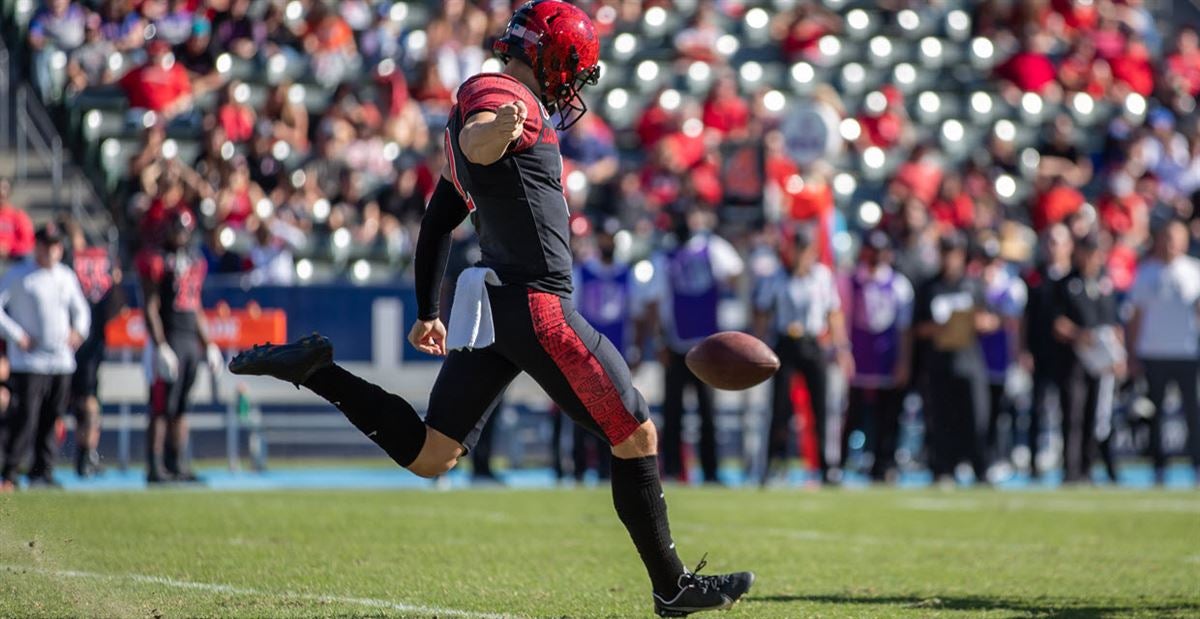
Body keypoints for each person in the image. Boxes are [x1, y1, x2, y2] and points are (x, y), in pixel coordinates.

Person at [229, 3, 753, 616]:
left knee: (432, 454)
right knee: (636, 432)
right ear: (550, 58)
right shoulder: (504, 94)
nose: (571, 84)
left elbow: (439, 219)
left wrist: (428, 307)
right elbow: (481, 138)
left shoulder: (493, 108)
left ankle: (318, 371)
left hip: (491, 305)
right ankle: (673, 588)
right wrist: (492, 130)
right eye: (571, 69)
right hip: (535, 304)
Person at [644, 207, 744, 484]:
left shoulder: (712, 248)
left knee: (707, 412)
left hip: (707, 345)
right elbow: (655, 302)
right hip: (676, 343)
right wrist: (658, 340)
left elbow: (736, 272)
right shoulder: (664, 257)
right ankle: (674, 469)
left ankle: (710, 471)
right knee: (673, 411)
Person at [755, 225, 852, 485]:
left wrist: (841, 347)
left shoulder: (822, 276)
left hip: (812, 344)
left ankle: (826, 465)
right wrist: (759, 348)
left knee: (820, 407)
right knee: (780, 408)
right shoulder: (777, 277)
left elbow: (833, 312)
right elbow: (763, 313)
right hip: (785, 343)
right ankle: (775, 462)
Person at [135, 209, 222, 483]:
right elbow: (150, 307)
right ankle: (155, 466)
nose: (180, 234)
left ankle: (178, 463)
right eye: (176, 228)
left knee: (182, 407)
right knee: (161, 407)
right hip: (168, 337)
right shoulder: (158, 260)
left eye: (184, 229)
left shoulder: (193, 261)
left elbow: (194, 306)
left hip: (188, 340)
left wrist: (208, 344)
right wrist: (160, 345)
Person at [0, 224, 90, 490]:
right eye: (46, 245)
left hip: (60, 360)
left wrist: (78, 332)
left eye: (55, 245)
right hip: (29, 361)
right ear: (37, 246)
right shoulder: (20, 275)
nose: (51, 251)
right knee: (25, 418)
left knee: (52, 418)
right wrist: (17, 336)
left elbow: (81, 310)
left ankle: (43, 471)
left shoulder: (65, 276)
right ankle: (11, 471)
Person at [914, 232, 998, 485]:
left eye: (954, 253)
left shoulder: (973, 285)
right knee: (940, 419)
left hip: (969, 361)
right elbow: (916, 328)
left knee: (977, 417)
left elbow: (991, 319)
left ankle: (980, 468)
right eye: (945, 253)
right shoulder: (929, 287)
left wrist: (980, 322)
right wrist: (940, 327)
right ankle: (943, 469)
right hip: (939, 362)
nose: (949, 259)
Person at [554, 222, 633, 483]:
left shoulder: (627, 274)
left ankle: (605, 468)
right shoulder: (583, 273)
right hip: (585, 354)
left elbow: (638, 314)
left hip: (616, 354)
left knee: (612, 414)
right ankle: (577, 468)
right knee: (582, 412)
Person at [1127, 219, 1200, 485]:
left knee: (1192, 412)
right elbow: (1135, 316)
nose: (1170, 243)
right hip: (1153, 352)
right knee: (1154, 413)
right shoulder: (1146, 273)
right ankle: (1158, 466)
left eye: (1175, 238)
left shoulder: (1194, 271)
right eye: (1166, 237)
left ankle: (1196, 464)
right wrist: (1132, 353)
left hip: (1186, 352)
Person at [840, 230, 914, 482]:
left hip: (885, 356)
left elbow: (904, 328)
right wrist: (843, 352)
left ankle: (883, 463)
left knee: (887, 415)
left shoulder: (899, 285)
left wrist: (903, 361)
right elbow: (843, 318)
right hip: (859, 356)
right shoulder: (850, 282)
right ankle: (840, 462)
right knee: (853, 414)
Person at [1053, 233, 1123, 484]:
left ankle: (1087, 468)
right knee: (1073, 414)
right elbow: (1057, 321)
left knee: (1096, 416)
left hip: (1101, 359)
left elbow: (1114, 323)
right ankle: (1071, 470)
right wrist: (1078, 335)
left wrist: (1118, 354)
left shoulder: (1105, 283)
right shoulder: (1066, 283)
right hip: (1074, 358)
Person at [65, 221, 124, 478]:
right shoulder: (61, 269)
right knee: (69, 402)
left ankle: (86, 453)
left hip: (86, 344)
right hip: (64, 344)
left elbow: (115, 304)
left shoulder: (82, 266)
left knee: (87, 401)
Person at [1021, 224, 1074, 479]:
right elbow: (1026, 318)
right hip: (1041, 351)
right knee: (1037, 409)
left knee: (1071, 410)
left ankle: (1071, 465)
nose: (1053, 248)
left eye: (1058, 242)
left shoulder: (1075, 278)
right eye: (1049, 242)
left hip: (1068, 355)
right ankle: (1034, 465)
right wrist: (1023, 349)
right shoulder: (1034, 278)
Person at [976, 238, 1027, 471]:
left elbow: (1014, 323)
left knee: (1000, 411)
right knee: (979, 411)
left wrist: (1018, 356)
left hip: (1001, 357)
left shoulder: (1011, 287)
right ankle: (979, 457)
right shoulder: (974, 283)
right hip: (977, 358)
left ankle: (999, 457)